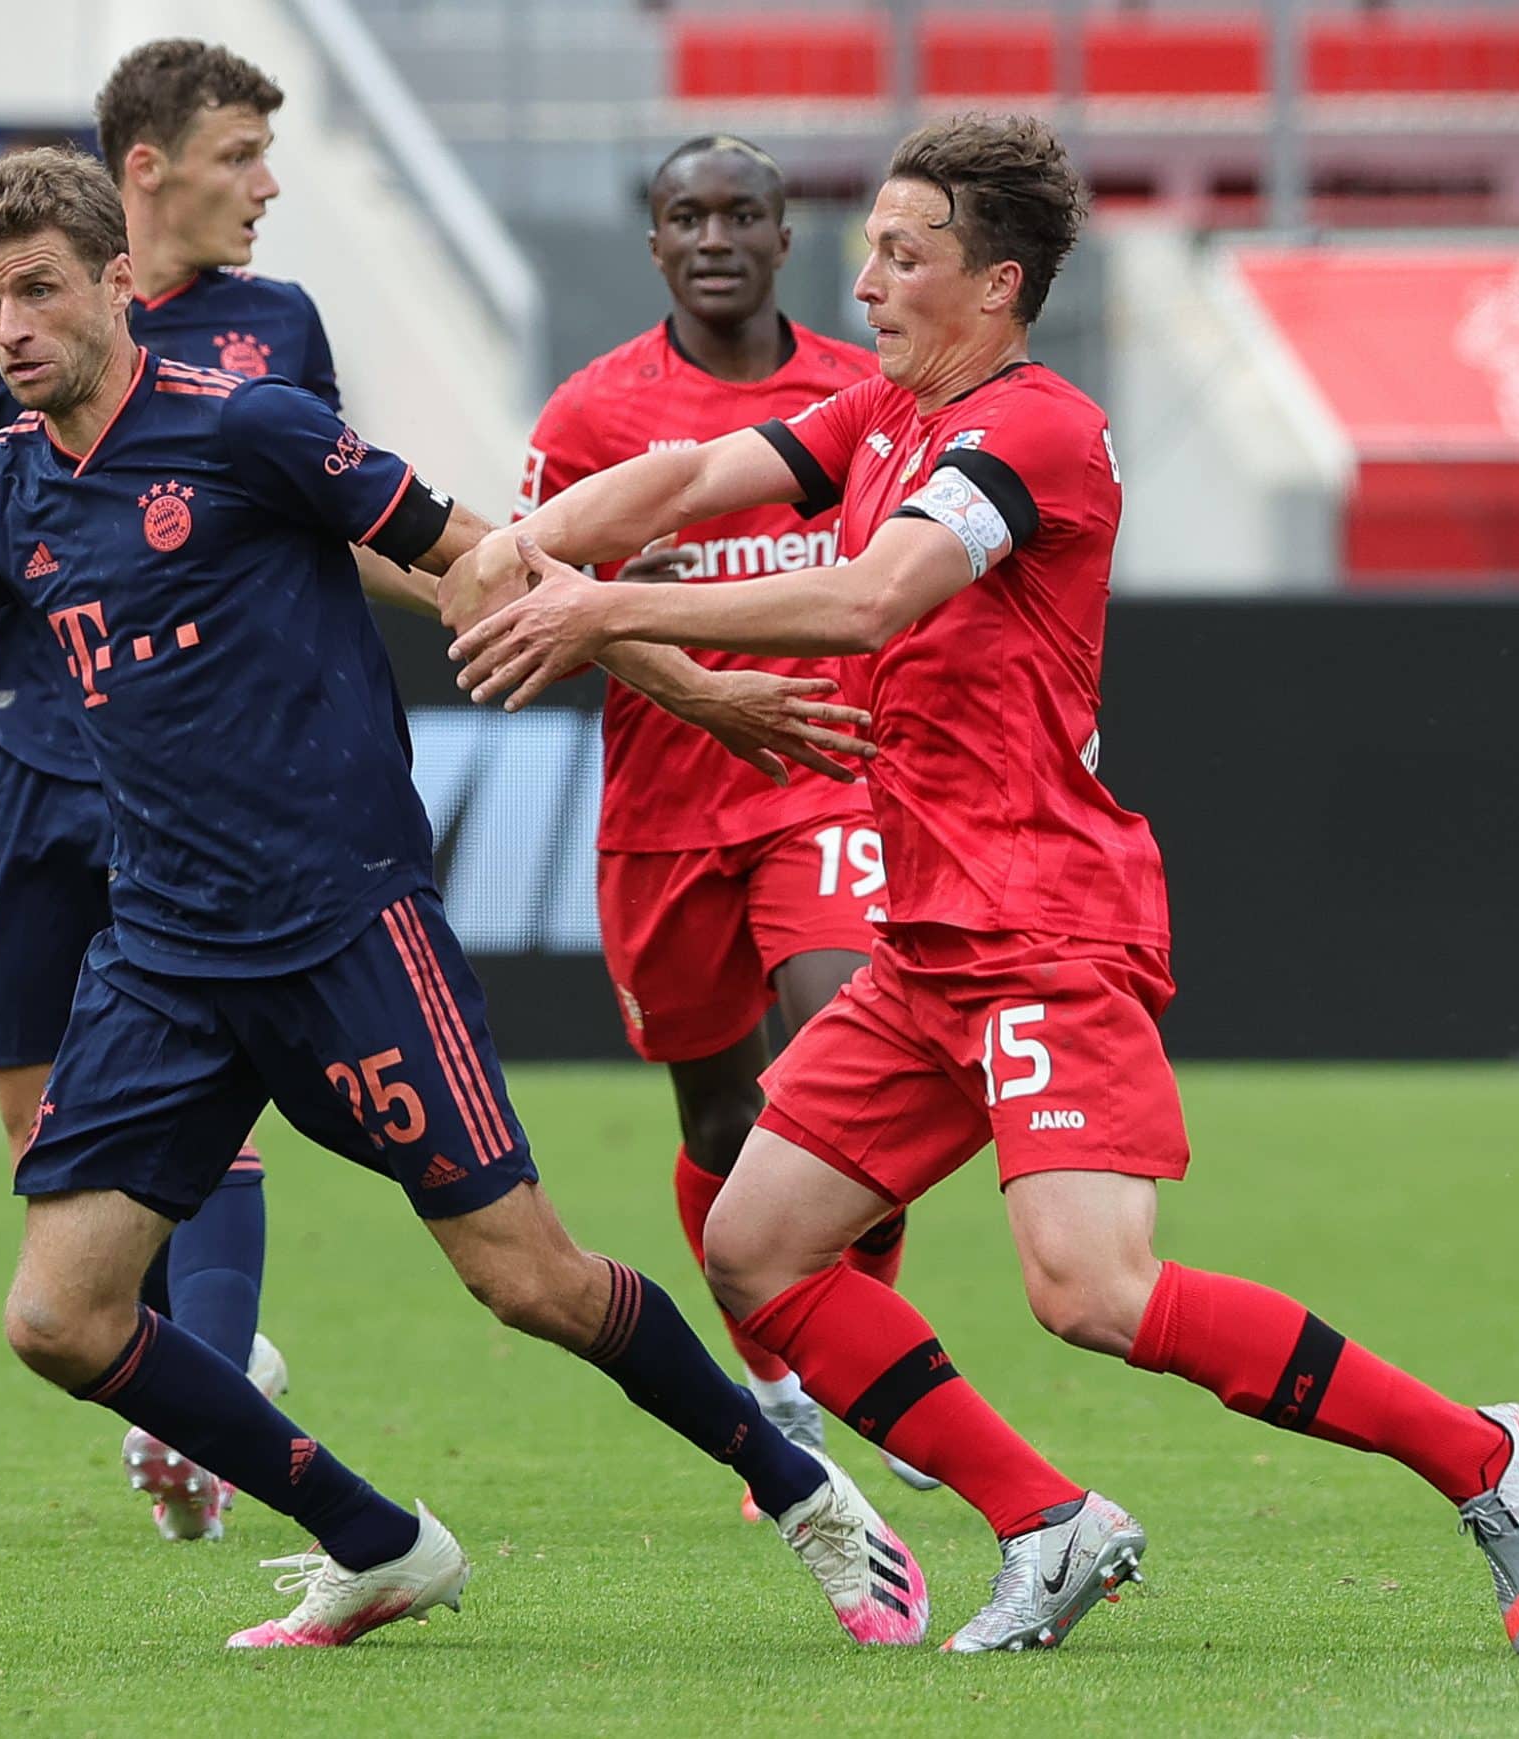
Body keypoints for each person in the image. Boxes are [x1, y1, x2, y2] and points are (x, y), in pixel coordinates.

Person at [0, 146, 928, 1653]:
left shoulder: (253, 429)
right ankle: (376, 1539)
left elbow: (483, 568)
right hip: (166, 952)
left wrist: (684, 674)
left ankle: (808, 1490)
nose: (11, 327)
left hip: (347, 926)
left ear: (117, 280)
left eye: (39, 290)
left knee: (532, 1280)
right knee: (60, 1318)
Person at [448, 113, 1519, 1658]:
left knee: (1093, 1291)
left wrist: (599, 612)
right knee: (760, 1244)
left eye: (904, 257)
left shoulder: (1033, 430)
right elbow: (704, 466)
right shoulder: (881, 413)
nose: (868, 285)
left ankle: (1483, 1449)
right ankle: (1049, 1519)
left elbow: (868, 597)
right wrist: (519, 542)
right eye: (870, 253)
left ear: (996, 284)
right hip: (929, 934)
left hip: (1045, 923)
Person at [0, 39, 365, 1546]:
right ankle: (177, 1384)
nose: (265, 184)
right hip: (19, 742)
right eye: (244, 152)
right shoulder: (3, 308)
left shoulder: (277, 328)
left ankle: (227, 1366)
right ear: (151, 168)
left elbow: (311, 520)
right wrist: (37, 515)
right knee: (36, 1116)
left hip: (185, 765)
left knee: (194, 1069)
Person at [517, 133, 933, 1515]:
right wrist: (704, 689)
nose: (714, 236)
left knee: (845, 1058)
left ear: (781, 236)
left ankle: (864, 1369)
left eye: (741, 213)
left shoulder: (862, 394)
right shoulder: (593, 412)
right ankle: (781, 1383)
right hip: (665, 809)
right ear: (654, 244)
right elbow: (524, 592)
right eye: (686, 215)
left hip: (828, 780)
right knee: (720, 1115)